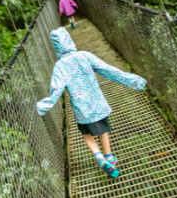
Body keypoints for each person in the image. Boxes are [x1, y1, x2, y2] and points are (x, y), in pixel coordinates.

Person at [35, 27, 146, 178]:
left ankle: (99, 158)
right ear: (70, 41)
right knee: (103, 131)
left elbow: (56, 90)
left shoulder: (60, 67)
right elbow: (108, 70)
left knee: (87, 135)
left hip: (82, 110)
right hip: (97, 104)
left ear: (56, 47)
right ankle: (109, 158)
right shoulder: (85, 56)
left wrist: (42, 107)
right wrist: (133, 81)